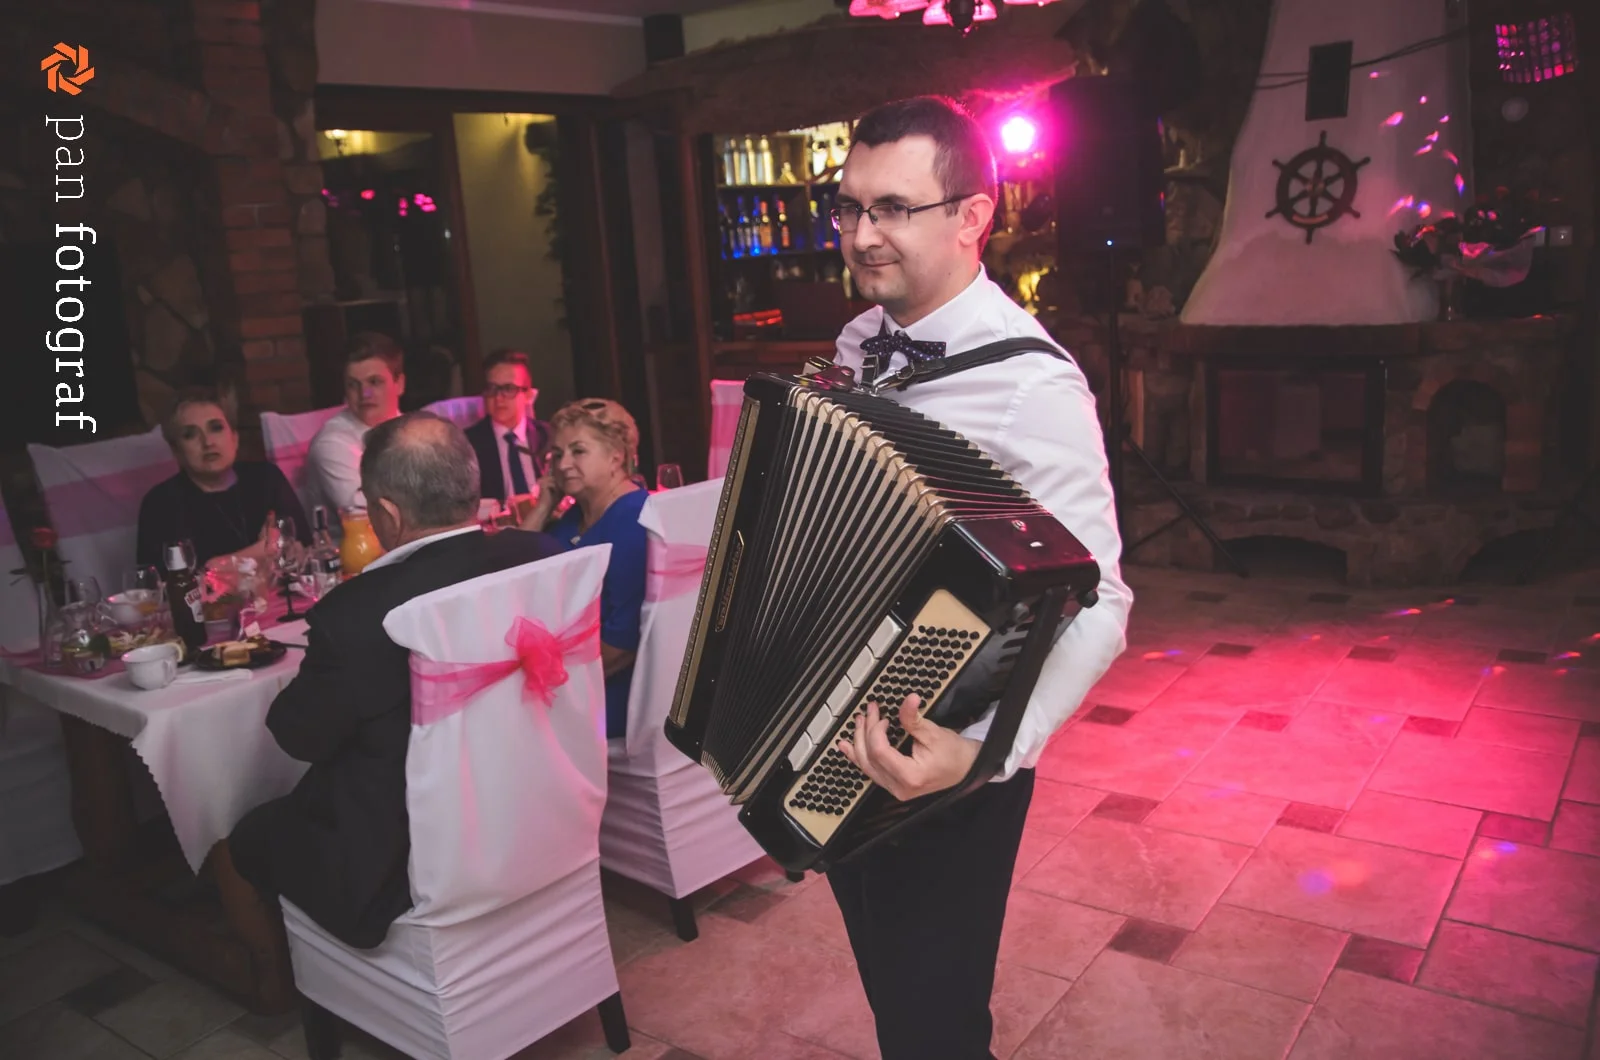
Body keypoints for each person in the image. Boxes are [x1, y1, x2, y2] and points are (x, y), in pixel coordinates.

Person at [823, 96, 1132, 1060]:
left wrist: (989, 754)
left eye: (892, 209)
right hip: (844, 720)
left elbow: (1104, 603)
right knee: (891, 997)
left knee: (937, 1026)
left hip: (952, 747)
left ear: (972, 216)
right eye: (850, 206)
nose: (862, 235)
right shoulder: (857, 343)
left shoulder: (1034, 386)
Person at [219, 412, 558, 949]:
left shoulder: (358, 612)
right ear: (472, 490)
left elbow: (300, 737)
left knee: (237, 842)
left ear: (387, 513)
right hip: (538, 812)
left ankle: (276, 989)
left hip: (405, 864)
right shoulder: (543, 558)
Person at [519, 398, 646, 740]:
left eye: (578, 451)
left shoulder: (635, 519)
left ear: (616, 457)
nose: (563, 465)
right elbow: (511, 577)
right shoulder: (573, 517)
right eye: (557, 454)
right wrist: (543, 507)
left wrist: (556, 691)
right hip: (567, 678)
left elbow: (624, 642)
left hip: (608, 695)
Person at [136, 389, 310, 568]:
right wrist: (261, 552)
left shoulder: (267, 478)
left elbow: (302, 547)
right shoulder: (160, 504)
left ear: (235, 438)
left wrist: (223, 564)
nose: (208, 442)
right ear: (176, 451)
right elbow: (167, 581)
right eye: (190, 435)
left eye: (216, 428)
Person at [306, 331, 406, 513]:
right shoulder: (331, 444)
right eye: (353, 385)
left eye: (374, 382)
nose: (364, 394)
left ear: (399, 384)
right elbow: (364, 513)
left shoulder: (416, 431)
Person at [464, 349, 552, 509]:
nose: (499, 398)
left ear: (527, 395)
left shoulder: (548, 436)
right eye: (492, 388)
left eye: (509, 389)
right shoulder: (468, 444)